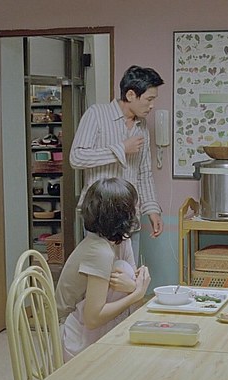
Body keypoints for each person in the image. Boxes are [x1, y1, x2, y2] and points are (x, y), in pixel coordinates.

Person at [70, 65, 165, 259]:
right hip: (99, 214)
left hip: (129, 215)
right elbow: (77, 157)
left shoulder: (141, 126)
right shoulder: (96, 114)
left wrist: (152, 209)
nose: (152, 105)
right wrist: (120, 149)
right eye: (149, 99)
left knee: (128, 273)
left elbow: (144, 173)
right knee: (99, 271)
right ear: (130, 95)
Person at [57, 178, 151, 360]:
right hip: (71, 334)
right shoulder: (99, 251)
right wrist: (136, 293)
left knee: (125, 270)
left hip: (84, 326)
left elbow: (134, 290)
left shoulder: (120, 240)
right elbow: (92, 318)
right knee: (123, 269)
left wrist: (133, 287)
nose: (137, 211)